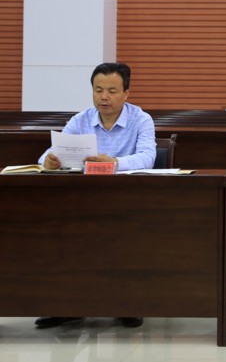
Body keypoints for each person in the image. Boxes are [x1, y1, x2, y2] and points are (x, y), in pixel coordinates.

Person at [35, 62, 156, 330]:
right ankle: (65, 306)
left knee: (120, 236)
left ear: (126, 93)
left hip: (127, 202)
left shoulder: (141, 119)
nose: (104, 97)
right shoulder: (80, 120)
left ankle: (126, 305)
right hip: (83, 201)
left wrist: (115, 162)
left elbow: (148, 157)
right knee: (57, 233)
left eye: (112, 91)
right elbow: (46, 156)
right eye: (98, 90)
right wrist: (50, 160)